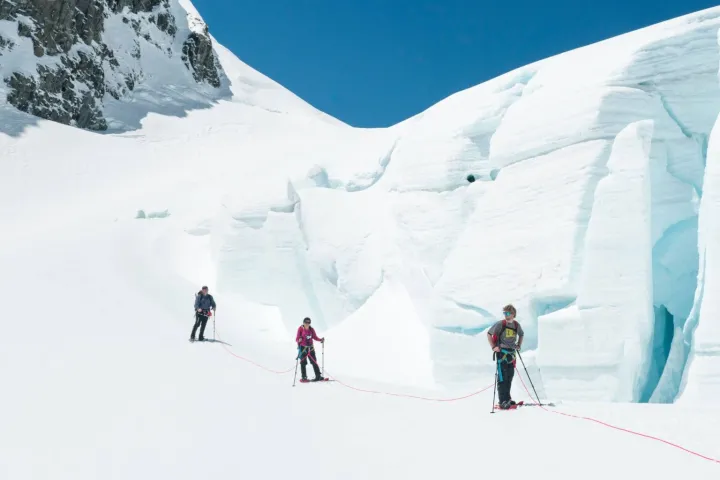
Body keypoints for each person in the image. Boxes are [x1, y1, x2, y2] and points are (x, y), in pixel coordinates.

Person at [487, 304, 524, 409]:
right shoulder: (500, 324)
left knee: (510, 376)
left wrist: (519, 345)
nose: (506, 315)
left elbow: (521, 334)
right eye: (504, 313)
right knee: (502, 378)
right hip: (502, 353)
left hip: (511, 355)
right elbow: (489, 334)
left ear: (513, 314)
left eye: (508, 313)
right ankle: (502, 401)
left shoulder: (516, 325)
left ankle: (507, 399)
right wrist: (493, 347)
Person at [296, 317, 325, 381]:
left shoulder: (311, 329)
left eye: (308, 322)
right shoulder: (300, 329)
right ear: (303, 322)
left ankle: (318, 376)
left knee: (314, 361)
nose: (307, 324)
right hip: (303, 348)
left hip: (310, 347)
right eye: (306, 322)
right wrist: (299, 339)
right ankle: (304, 377)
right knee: (303, 362)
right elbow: (297, 339)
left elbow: (314, 337)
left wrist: (320, 340)